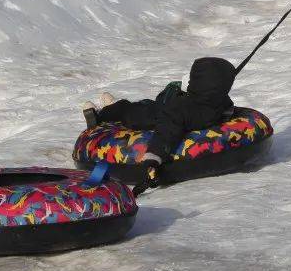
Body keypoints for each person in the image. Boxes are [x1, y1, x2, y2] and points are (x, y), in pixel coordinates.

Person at [82, 57, 237, 193]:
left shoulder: (182, 109)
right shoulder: (218, 103)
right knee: (145, 105)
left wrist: (153, 157)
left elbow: (167, 131)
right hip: (168, 105)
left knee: (129, 110)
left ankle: (103, 113)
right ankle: (108, 109)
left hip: (148, 116)